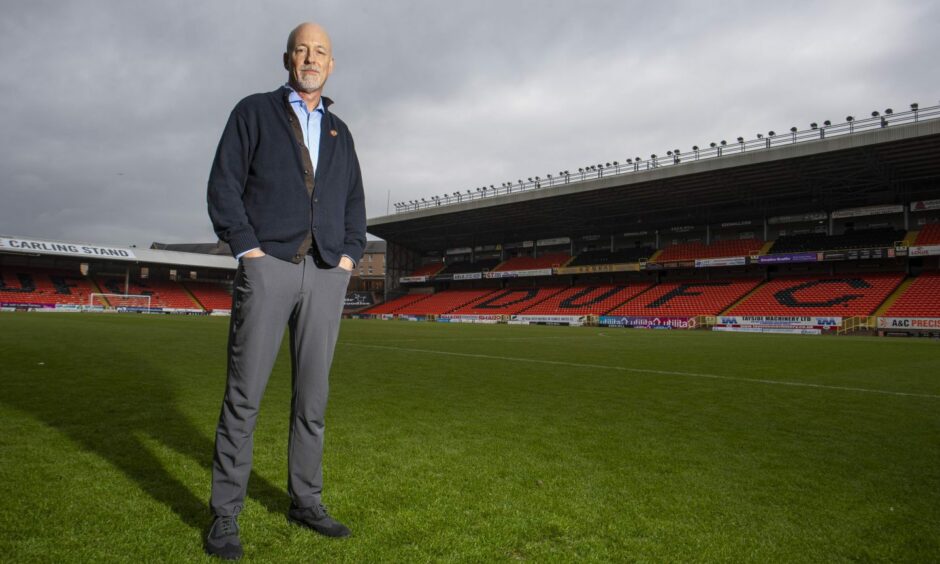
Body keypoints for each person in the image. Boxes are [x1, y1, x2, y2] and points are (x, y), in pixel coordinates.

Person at [204, 21, 366, 560]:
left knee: (312, 402)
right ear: (287, 59)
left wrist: (346, 258)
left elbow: (353, 208)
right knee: (244, 399)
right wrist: (247, 250)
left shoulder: (341, 132)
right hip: (268, 266)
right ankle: (225, 518)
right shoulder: (253, 112)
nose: (311, 58)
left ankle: (306, 501)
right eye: (302, 50)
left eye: (320, 51)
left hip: (325, 275)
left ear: (331, 64)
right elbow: (223, 184)